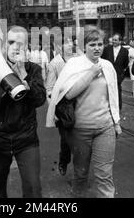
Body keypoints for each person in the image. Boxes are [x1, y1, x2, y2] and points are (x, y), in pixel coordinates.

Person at [47, 26, 121, 198]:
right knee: (81, 174)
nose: (97, 48)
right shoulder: (74, 64)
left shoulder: (108, 66)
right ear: (84, 46)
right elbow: (68, 93)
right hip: (80, 129)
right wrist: (90, 73)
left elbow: (113, 95)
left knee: (105, 175)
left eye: (100, 44)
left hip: (105, 127)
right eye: (92, 44)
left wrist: (116, 122)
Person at [0, 26, 46, 198]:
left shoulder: (33, 70)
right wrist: (9, 85)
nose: (15, 47)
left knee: (33, 187)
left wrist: (24, 77)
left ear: (26, 47)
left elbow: (40, 100)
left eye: (20, 43)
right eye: (10, 42)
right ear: (4, 46)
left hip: (26, 138)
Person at [45, 36, 80, 176]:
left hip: (79, 103)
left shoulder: (77, 60)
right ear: (59, 47)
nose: (70, 46)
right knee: (66, 138)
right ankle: (63, 160)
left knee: (80, 137)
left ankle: (80, 170)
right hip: (62, 106)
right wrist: (52, 110)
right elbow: (49, 89)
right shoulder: (54, 64)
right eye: (67, 44)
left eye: (72, 43)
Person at [101, 33, 129, 110]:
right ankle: (107, 107)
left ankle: (118, 108)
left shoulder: (124, 51)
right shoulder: (107, 49)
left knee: (117, 92)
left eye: (115, 40)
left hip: (118, 75)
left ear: (120, 41)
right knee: (107, 91)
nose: (113, 41)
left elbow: (125, 63)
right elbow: (102, 60)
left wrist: (122, 75)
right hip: (107, 74)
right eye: (113, 40)